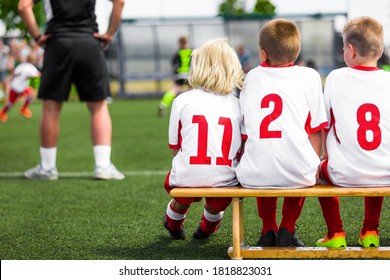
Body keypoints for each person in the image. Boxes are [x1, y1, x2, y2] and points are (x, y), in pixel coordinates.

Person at [236, 19, 328, 247]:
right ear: (296, 53)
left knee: (263, 153)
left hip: (253, 175)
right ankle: (288, 226)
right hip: (298, 173)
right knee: (300, 159)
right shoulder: (310, 77)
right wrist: (314, 164)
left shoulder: (250, 78)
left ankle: (268, 227)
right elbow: (316, 130)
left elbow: (246, 133)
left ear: (263, 54)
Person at [18, 0, 125, 180]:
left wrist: (37, 37)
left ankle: (47, 167)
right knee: (98, 107)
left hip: (58, 43)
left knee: (51, 107)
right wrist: (109, 34)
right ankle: (103, 166)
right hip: (89, 42)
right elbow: (120, 2)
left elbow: (23, 6)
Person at [316, 16, 390, 249]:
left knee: (316, 172)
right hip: (387, 172)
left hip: (343, 173)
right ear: (379, 51)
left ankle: (335, 232)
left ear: (350, 50)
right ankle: (370, 230)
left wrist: (325, 155)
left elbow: (324, 123)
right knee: (377, 158)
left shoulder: (336, 78)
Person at [163, 38, 244, 240]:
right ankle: (206, 230)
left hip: (187, 175)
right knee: (216, 204)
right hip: (225, 178)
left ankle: (173, 223)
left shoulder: (182, 100)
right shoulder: (238, 105)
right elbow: (241, 149)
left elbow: (175, 147)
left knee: (181, 196)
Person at [157, 36, 192, 117]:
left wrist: (174, 75)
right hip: (190, 75)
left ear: (179, 43)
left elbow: (173, 65)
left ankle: (163, 104)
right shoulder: (192, 52)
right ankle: (194, 108)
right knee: (193, 91)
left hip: (179, 75)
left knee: (173, 90)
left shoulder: (178, 53)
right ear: (187, 42)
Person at [0, 54, 40, 123]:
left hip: (18, 86)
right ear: (33, 61)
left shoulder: (21, 66)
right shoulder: (32, 68)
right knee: (11, 103)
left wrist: (8, 81)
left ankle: (23, 109)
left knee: (29, 95)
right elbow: (36, 77)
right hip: (17, 87)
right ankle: (2, 113)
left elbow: (14, 74)